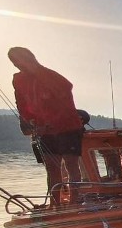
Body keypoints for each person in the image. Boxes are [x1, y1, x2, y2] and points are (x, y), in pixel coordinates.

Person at [8, 47, 84, 206]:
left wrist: (50, 123)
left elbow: (65, 97)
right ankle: (55, 203)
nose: (18, 65)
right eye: (14, 62)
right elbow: (22, 104)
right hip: (44, 129)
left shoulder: (50, 76)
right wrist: (28, 122)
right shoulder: (19, 80)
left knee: (71, 165)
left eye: (21, 60)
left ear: (31, 58)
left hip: (68, 126)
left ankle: (74, 202)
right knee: (52, 167)